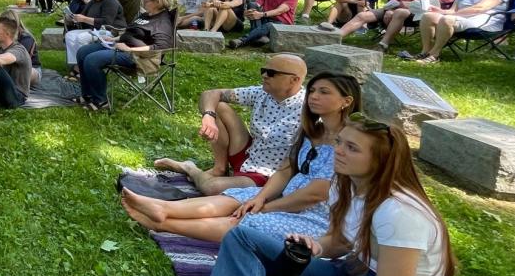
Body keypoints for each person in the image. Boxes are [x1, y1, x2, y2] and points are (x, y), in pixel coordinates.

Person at [210, 118, 452, 276]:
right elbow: (340, 242)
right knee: (242, 237)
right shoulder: (345, 185)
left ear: (381, 160)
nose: (338, 150)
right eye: (339, 142)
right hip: (353, 275)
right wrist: (317, 246)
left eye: (352, 148)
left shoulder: (400, 212)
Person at [122, 72, 359, 243]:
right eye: (314, 90)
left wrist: (267, 208)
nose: (313, 96)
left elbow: (316, 194)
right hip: (285, 191)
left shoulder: (349, 141)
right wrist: (263, 197)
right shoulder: (312, 130)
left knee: (247, 220)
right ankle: (162, 207)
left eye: (323, 92)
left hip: (318, 215)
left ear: (346, 101)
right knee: (236, 198)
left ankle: (162, 223)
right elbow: (286, 170)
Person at [154, 54, 306, 195]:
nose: (264, 75)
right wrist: (209, 116)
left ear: (294, 80)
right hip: (249, 153)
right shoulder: (262, 93)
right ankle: (220, 168)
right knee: (218, 106)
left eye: (271, 73)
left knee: (211, 188)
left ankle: (189, 168)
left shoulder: (309, 108)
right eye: (264, 70)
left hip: (267, 174)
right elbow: (211, 94)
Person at [74, 0, 176, 111]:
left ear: (157, 1)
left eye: (146, 1)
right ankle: (88, 94)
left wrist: (129, 49)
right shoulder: (146, 15)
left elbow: (161, 47)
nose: (143, 3)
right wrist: (114, 39)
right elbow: (131, 32)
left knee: (92, 60)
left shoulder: (162, 22)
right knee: (82, 52)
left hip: (137, 57)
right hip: (119, 47)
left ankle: (100, 101)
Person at [409, 0, 509, 64]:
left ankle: (434, 54)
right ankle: (425, 51)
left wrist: (453, 15)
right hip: (461, 18)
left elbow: (480, 8)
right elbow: (452, 11)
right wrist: (439, 11)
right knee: (428, 16)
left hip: (484, 21)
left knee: (447, 19)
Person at [63, 0, 122, 78]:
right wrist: (73, 17)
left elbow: (107, 22)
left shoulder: (110, 1)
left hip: (111, 32)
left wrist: (84, 19)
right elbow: (83, 14)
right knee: (70, 36)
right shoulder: (94, 0)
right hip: (96, 30)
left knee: (81, 38)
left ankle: (81, 69)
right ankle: (77, 64)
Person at [227, 0, 298, 49]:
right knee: (252, 4)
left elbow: (279, 11)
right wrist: (248, 11)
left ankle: (242, 40)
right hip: (266, 19)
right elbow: (257, 4)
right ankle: (261, 37)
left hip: (282, 24)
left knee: (270, 25)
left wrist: (262, 14)